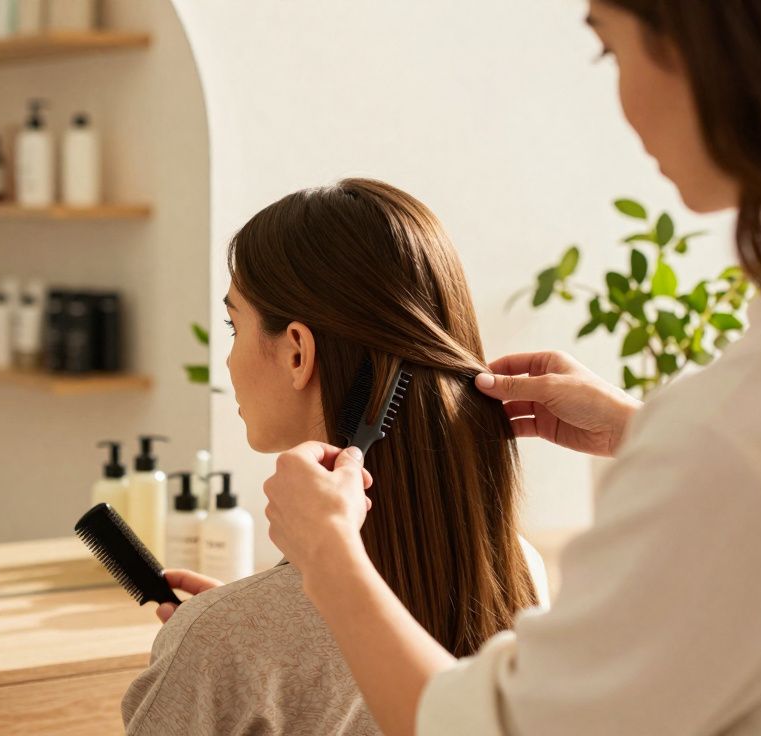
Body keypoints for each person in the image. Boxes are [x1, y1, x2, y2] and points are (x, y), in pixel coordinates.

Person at [255, 2, 761, 734]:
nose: (621, 103)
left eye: (609, 52)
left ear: (705, 53)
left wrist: (329, 560)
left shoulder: (741, 439)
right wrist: (648, 434)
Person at [122, 179, 550, 735]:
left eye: (234, 325)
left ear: (298, 351)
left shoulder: (220, 641)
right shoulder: (516, 568)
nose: (226, 360)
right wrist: (244, 626)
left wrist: (225, 639)